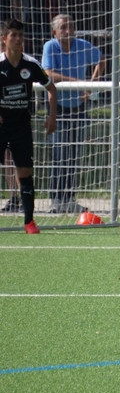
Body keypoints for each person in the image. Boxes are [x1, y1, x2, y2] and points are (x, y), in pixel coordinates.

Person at [41, 14, 105, 214]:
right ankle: (56, 199)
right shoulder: (50, 47)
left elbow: (101, 60)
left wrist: (91, 85)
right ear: (55, 32)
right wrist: (77, 82)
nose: (68, 31)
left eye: (70, 26)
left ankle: (69, 198)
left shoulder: (83, 45)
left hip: (78, 107)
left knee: (73, 154)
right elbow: (48, 73)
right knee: (59, 153)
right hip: (58, 107)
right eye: (63, 27)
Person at [0, 18, 57, 233]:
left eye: (20, 35)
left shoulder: (30, 64)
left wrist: (52, 117)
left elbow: (51, 89)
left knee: (25, 171)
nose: (18, 39)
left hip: (21, 126)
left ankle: (29, 222)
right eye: (13, 35)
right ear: (4, 39)